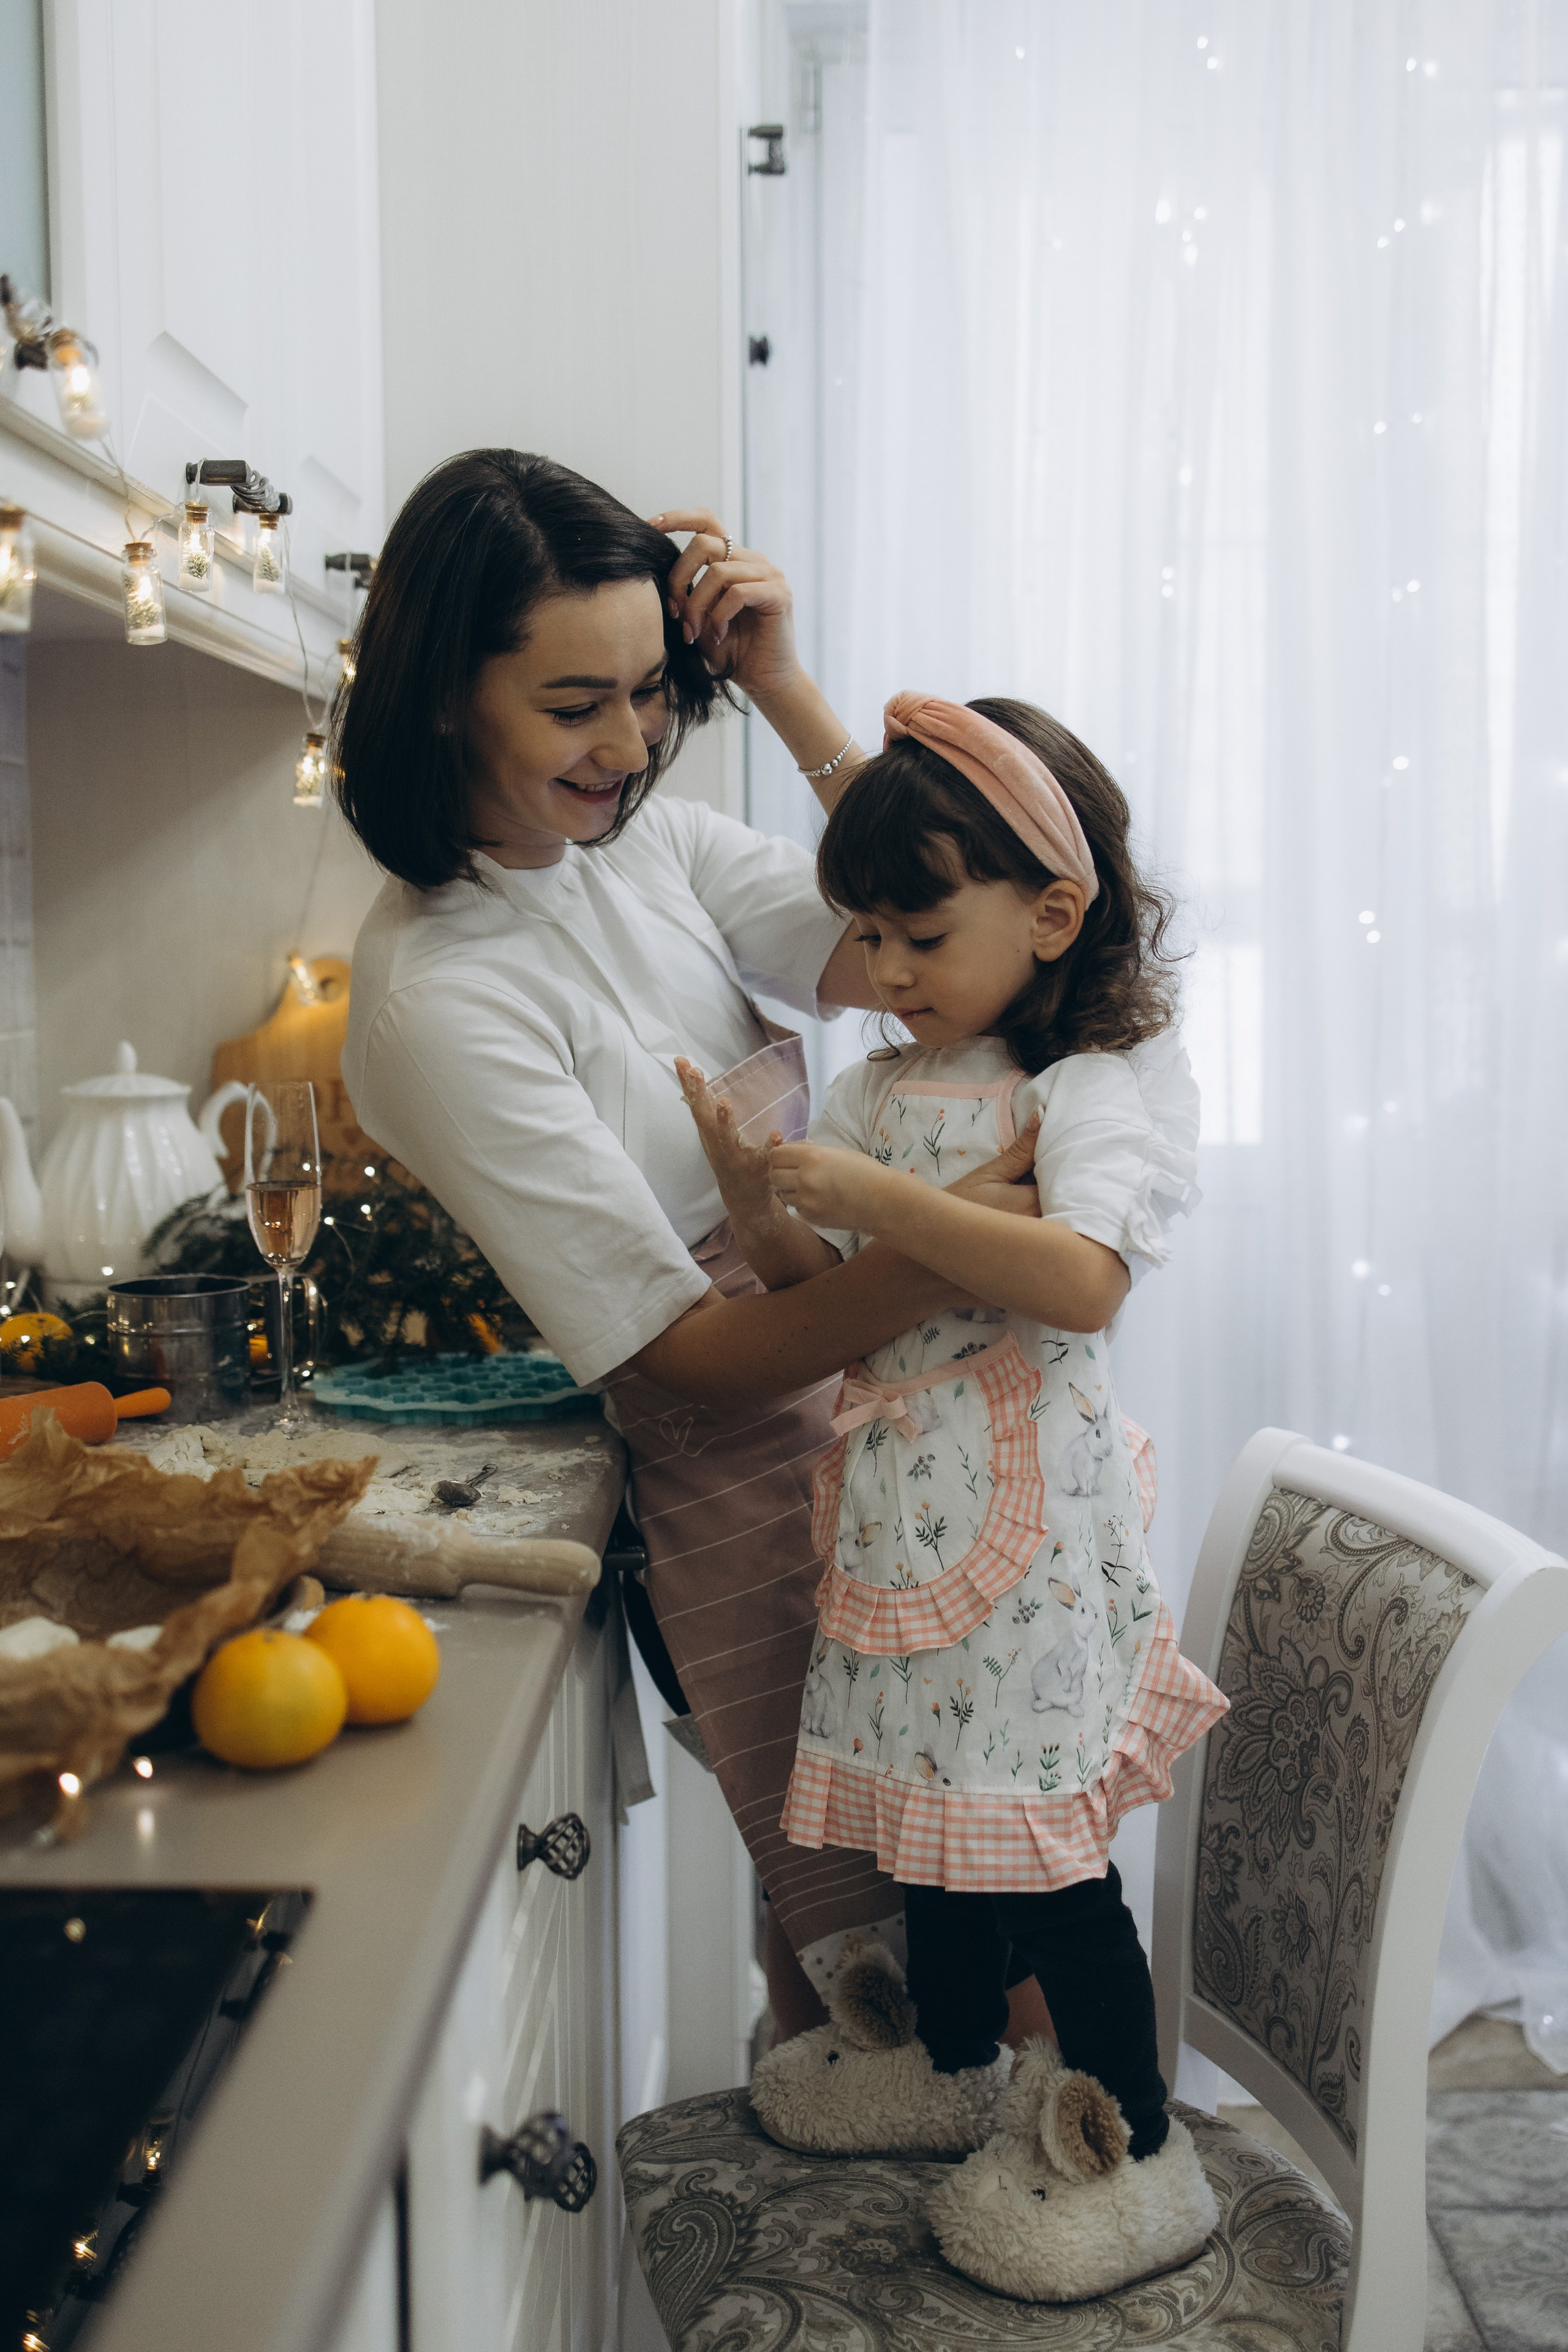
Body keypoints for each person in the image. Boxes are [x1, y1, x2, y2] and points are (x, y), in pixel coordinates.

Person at [334, 451, 1046, 2039]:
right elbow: (687, 1356)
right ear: (446, 696)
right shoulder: (435, 994)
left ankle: (921, 2235)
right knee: (876, 1968)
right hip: (738, 1476)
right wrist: (948, 1250)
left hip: (881, 1433)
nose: (630, 743)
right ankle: (862, 2251)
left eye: (653, 692)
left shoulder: (647, 850)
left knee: (951, 1939)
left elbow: (910, 940)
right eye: (575, 702)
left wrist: (783, 685)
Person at [678, 691, 1227, 2296]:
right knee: (930, 1839)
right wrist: (760, 1200)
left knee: (1046, 1862)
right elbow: (820, 1290)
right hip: (899, 1533)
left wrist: (873, 1194)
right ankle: (954, 2063)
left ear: (1053, 915)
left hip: (1032, 1553)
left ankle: (1132, 2126)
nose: (886, 973)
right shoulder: (876, 1089)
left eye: (917, 931)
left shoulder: (1088, 1086)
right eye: (865, 935)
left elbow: (1081, 1278)